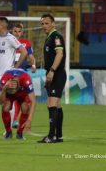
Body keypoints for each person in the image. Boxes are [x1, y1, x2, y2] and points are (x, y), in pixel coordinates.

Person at [38, 14, 66, 143]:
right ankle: (58, 136)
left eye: (47, 23)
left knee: (51, 104)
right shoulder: (49, 38)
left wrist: (52, 71)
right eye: (42, 23)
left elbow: (59, 54)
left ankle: (51, 135)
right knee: (57, 105)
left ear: (53, 24)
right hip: (53, 74)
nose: (44, 26)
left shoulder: (56, 37)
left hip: (57, 74)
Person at [11, 23, 36, 128]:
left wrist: (33, 64)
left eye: (19, 31)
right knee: (15, 98)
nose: (17, 34)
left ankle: (19, 120)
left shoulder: (26, 43)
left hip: (23, 73)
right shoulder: (9, 41)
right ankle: (15, 120)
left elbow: (31, 56)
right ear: (12, 32)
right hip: (11, 73)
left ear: (22, 32)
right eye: (15, 31)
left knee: (26, 99)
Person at [0, 68, 36, 139]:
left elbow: (33, 101)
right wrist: (4, 89)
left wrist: (29, 120)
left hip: (22, 94)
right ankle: (8, 132)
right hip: (9, 94)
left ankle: (19, 133)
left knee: (25, 107)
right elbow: (0, 102)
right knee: (5, 106)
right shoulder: (4, 79)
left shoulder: (26, 79)